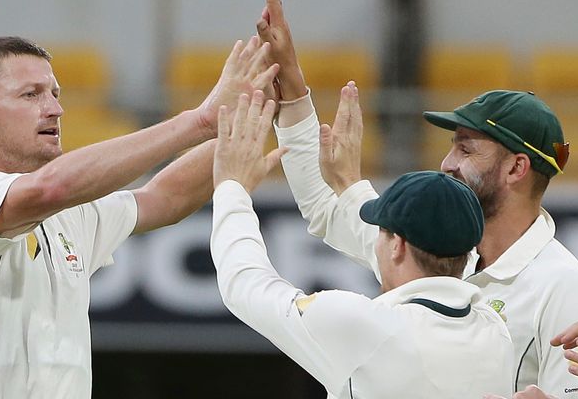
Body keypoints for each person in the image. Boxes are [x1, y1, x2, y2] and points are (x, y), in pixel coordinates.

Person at [254, 0, 578, 397]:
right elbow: (327, 208)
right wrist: (292, 88)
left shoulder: (561, 285)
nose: (447, 164)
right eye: (452, 147)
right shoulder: (435, 242)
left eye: (467, 150)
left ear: (516, 169)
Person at [0, 35, 279, 398]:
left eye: (55, 94)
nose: (55, 109)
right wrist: (199, 122)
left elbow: (165, 197)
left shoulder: (69, 213)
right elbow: (50, 188)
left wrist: (252, 116)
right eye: (31, 94)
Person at [210, 89, 514, 398]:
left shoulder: (362, 325)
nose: (375, 241)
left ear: (397, 245)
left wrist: (231, 187)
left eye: (380, 231)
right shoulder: (495, 332)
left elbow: (243, 286)